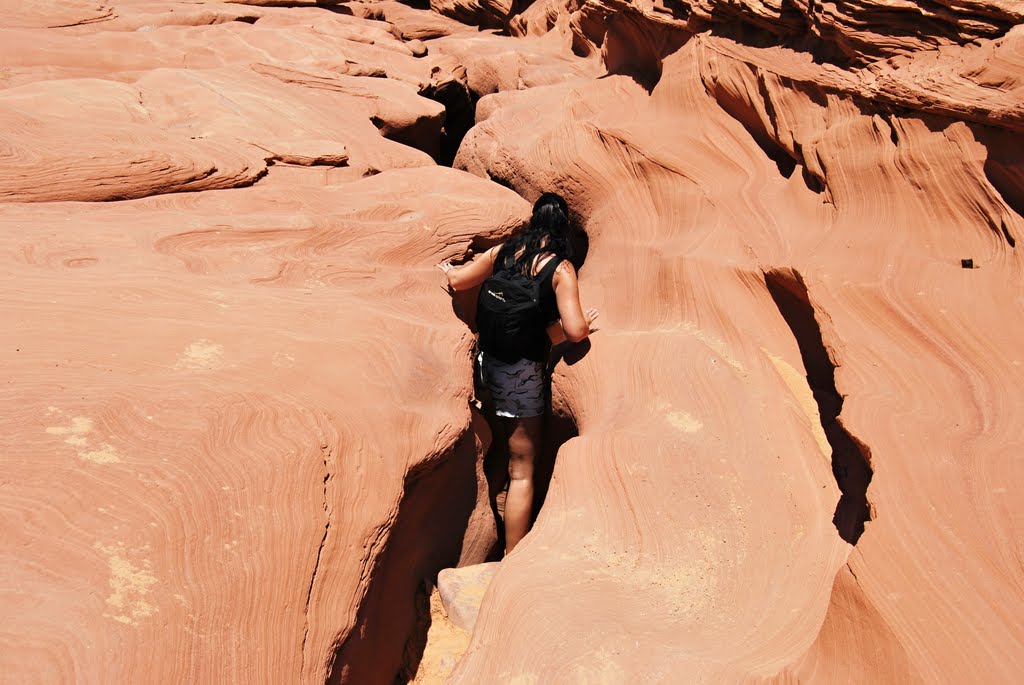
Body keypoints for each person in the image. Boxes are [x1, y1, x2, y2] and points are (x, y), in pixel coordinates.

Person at [438, 193, 598, 554]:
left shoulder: (503, 252)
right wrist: (586, 324)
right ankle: (512, 557)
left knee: (497, 444)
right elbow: (574, 332)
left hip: (486, 364)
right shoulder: (559, 269)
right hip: (521, 374)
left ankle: (484, 532)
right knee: (522, 468)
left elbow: (460, 281)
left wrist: (448, 270)